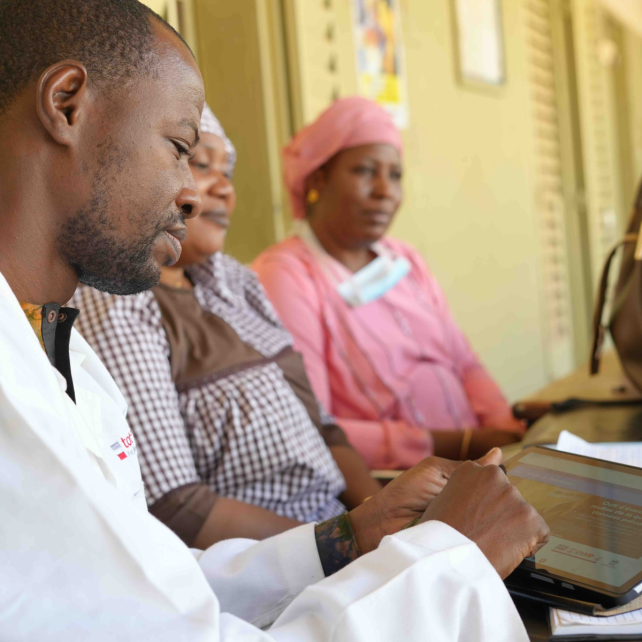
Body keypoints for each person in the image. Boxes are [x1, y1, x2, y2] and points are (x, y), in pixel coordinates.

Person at [0, 1, 549, 639]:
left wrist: (353, 534)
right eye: (182, 148)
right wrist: (452, 559)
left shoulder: (59, 352)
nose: (192, 191)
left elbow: (158, 590)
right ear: (67, 103)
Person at [71, 103, 382, 549]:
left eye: (228, 173)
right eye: (198, 163)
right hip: (268, 571)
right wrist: (355, 543)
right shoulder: (121, 301)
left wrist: (388, 524)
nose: (222, 191)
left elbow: (325, 428)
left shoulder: (237, 283)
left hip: (339, 535)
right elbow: (176, 506)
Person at [253, 96, 525, 471]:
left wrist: (505, 430)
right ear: (317, 178)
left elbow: (463, 361)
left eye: (395, 175)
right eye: (365, 171)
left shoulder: (405, 260)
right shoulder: (285, 275)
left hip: (476, 465)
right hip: (392, 485)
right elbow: (310, 423)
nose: (384, 190)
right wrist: (456, 445)